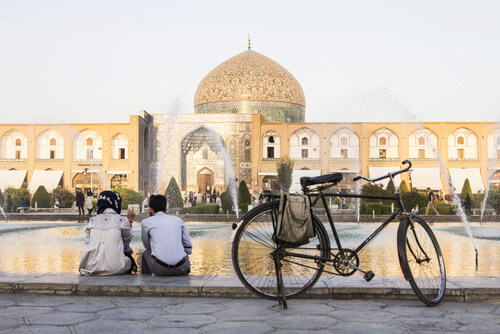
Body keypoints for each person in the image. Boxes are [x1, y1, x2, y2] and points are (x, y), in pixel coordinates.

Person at [79, 190, 135, 275]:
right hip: (115, 268)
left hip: (91, 267)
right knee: (129, 258)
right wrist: (130, 220)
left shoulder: (92, 221)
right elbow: (128, 239)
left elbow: (88, 243)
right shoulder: (121, 220)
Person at [137, 194, 192, 276]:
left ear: (150, 209)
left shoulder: (146, 222)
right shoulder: (178, 220)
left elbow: (148, 247)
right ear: (166, 209)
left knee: (145, 253)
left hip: (160, 269)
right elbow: (189, 249)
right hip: (182, 267)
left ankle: (146, 283)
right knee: (184, 253)